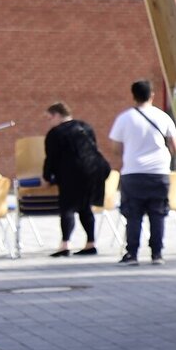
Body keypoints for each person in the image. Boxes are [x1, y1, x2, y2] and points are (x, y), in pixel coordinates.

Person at [105, 80, 176, 265]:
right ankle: (157, 254)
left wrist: (131, 152)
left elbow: (115, 147)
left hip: (133, 172)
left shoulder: (125, 118)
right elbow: (175, 147)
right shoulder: (163, 117)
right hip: (159, 172)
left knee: (133, 214)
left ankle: (132, 254)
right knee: (158, 214)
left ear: (133, 95)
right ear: (152, 95)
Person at [42, 102, 109, 257]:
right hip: (94, 170)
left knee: (68, 208)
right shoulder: (85, 127)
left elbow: (51, 158)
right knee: (86, 207)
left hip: (71, 173)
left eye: (48, 118)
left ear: (57, 115)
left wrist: (46, 177)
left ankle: (65, 245)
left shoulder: (55, 133)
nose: (48, 122)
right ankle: (91, 244)